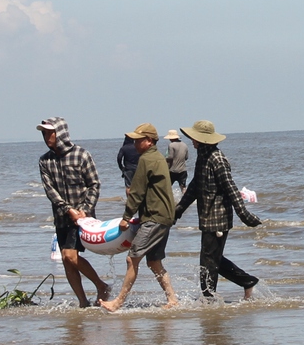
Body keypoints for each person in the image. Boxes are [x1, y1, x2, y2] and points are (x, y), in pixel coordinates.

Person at [172, 119, 262, 300]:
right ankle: (247, 282)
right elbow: (194, 188)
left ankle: (208, 298)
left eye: (194, 138)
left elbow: (231, 188)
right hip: (207, 217)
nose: (192, 141)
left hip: (218, 218)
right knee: (213, 259)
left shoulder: (217, 159)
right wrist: (178, 210)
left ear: (203, 140)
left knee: (207, 261)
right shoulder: (202, 157)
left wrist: (244, 215)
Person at [102, 124, 180, 311]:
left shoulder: (146, 159)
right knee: (154, 261)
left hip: (154, 217)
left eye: (138, 139)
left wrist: (126, 218)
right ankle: (172, 299)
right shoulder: (157, 157)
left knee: (132, 259)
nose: (135, 143)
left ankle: (117, 302)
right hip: (164, 216)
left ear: (149, 140)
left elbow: (136, 193)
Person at [37, 117, 109, 307]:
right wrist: (67, 209)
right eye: (43, 133)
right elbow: (49, 189)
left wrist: (84, 210)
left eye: (49, 132)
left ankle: (101, 285)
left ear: (60, 133)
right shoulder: (45, 161)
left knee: (70, 255)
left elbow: (94, 184)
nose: (46, 137)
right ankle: (83, 302)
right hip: (62, 216)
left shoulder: (81, 155)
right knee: (67, 260)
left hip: (83, 218)